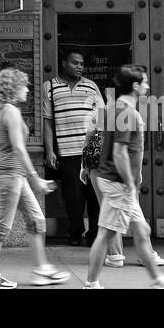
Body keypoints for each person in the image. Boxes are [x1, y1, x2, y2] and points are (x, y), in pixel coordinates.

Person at [84, 66, 164, 290]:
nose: (148, 86)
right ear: (135, 86)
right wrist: (130, 183)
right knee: (106, 234)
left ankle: (158, 280)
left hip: (115, 180)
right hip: (118, 182)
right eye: (144, 82)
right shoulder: (127, 112)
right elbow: (119, 153)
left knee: (142, 230)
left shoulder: (114, 108)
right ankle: (91, 284)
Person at [0, 67, 70, 289]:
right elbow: (19, 148)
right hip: (10, 176)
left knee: (36, 220)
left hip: (11, 176)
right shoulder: (10, 111)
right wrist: (35, 178)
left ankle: (42, 270)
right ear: (14, 87)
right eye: (25, 85)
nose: (28, 89)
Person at [42, 50, 103, 246]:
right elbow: (48, 122)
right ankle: (75, 233)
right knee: (73, 198)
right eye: (75, 63)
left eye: (82, 64)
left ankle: (94, 235)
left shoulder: (91, 86)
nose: (79, 67)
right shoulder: (50, 87)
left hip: (92, 151)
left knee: (94, 198)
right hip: (68, 152)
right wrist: (50, 150)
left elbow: (101, 117)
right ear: (64, 64)